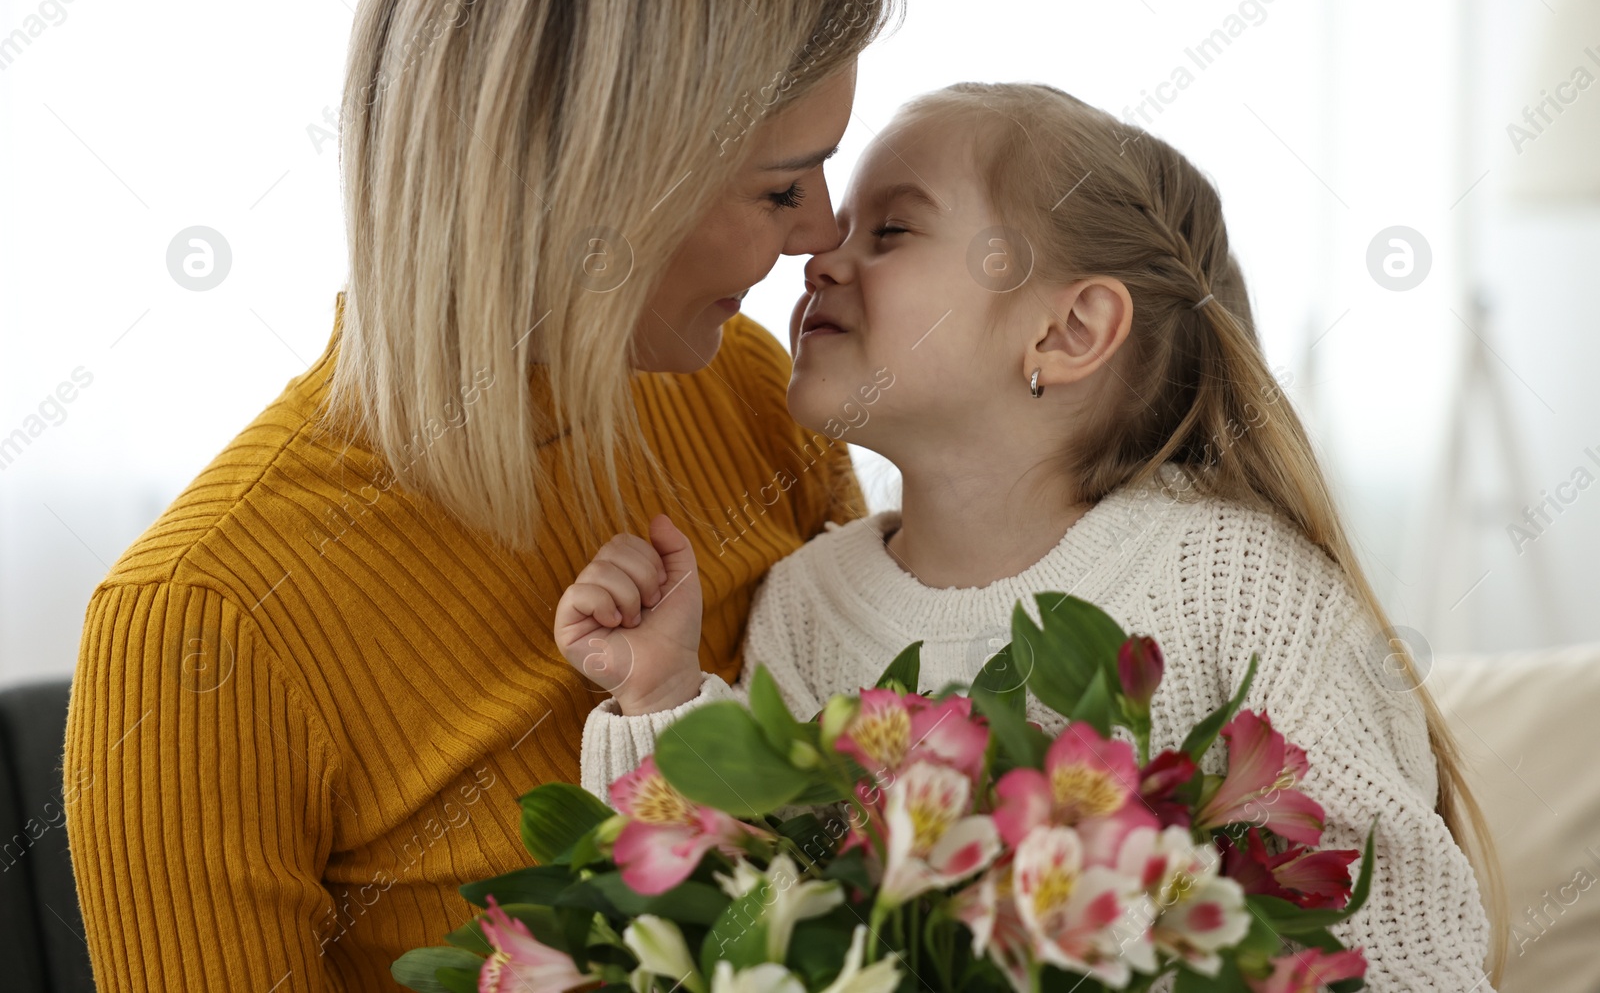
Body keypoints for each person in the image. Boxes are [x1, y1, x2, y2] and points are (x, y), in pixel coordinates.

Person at [62, 0, 903, 989]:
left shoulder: (743, 389)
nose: (820, 235)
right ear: (590, 182)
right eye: (782, 188)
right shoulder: (203, 619)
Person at [560, 83, 1506, 990]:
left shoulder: (1240, 583)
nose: (819, 258)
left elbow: (1395, 928)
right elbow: (747, 909)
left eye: (890, 230)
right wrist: (661, 695)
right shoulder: (808, 601)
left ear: (1068, 329)